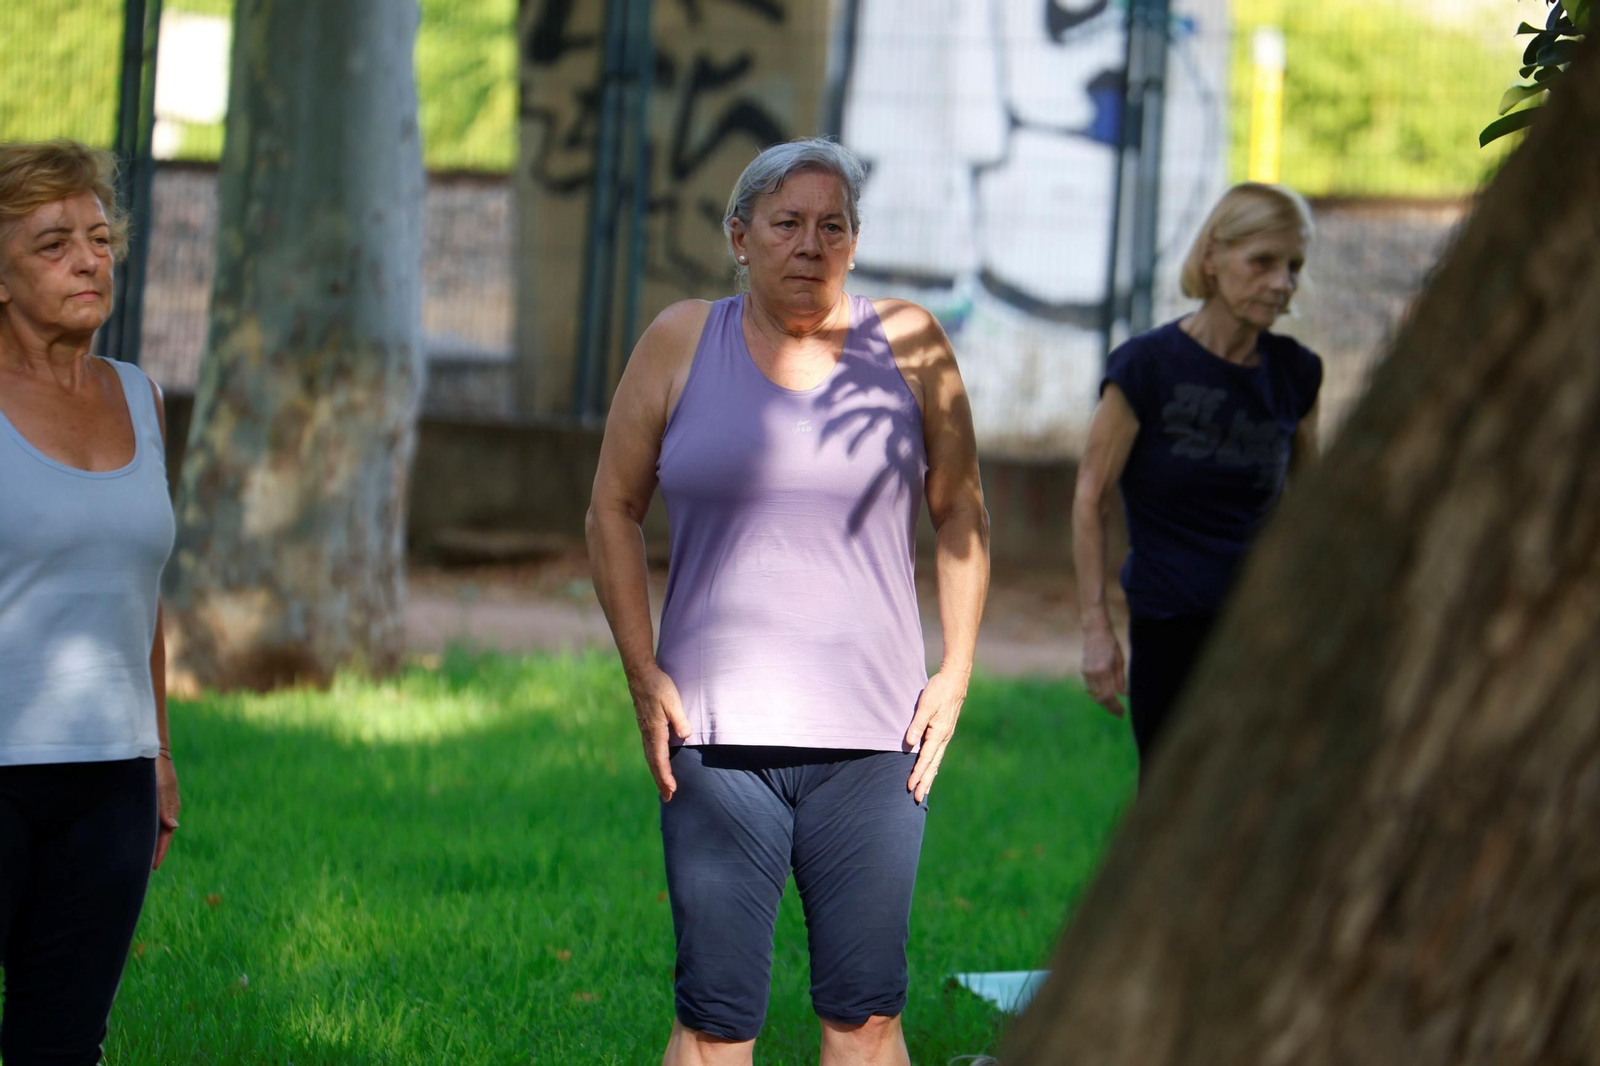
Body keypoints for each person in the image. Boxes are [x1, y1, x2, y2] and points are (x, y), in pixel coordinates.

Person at [587, 137, 989, 1066]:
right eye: (787, 223)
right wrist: (643, 674)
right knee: (716, 1018)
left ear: (854, 241)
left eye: (833, 225)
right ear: (740, 235)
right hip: (719, 738)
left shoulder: (914, 342)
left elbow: (961, 506)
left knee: (867, 1011)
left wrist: (957, 670)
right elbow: (611, 508)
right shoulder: (682, 338)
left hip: (875, 739)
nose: (812, 243)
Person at [0, 139, 179, 1065]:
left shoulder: (140, 397)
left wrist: (158, 749)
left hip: (111, 781)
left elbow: (138, 591)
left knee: (63, 1047)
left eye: (100, 237)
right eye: (52, 243)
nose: (87, 259)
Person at [1073, 182, 1321, 781]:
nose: (1282, 282)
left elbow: (1312, 510)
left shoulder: (1296, 373)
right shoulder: (1146, 367)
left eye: (1293, 266)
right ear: (1212, 257)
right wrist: (1097, 630)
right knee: (1171, 803)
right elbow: (1091, 497)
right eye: (1262, 262)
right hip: (1170, 630)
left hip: (1264, 632)